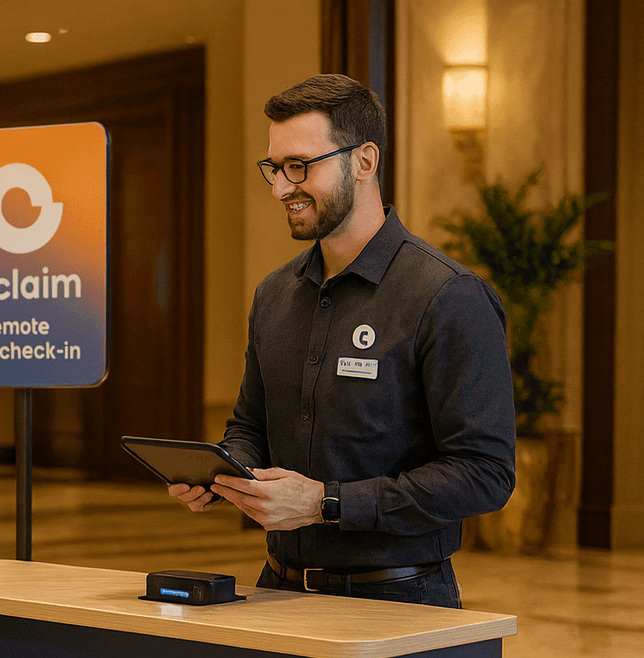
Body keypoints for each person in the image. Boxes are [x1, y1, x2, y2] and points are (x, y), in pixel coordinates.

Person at [169, 74, 515, 608]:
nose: (284, 187)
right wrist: (223, 472)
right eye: (275, 168)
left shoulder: (448, 296)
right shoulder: (274, 294)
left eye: (301, 166)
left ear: (365, 161)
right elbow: (250, 425)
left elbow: (485, 474)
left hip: (401, 598)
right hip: (277, 588)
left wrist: (325, 503)